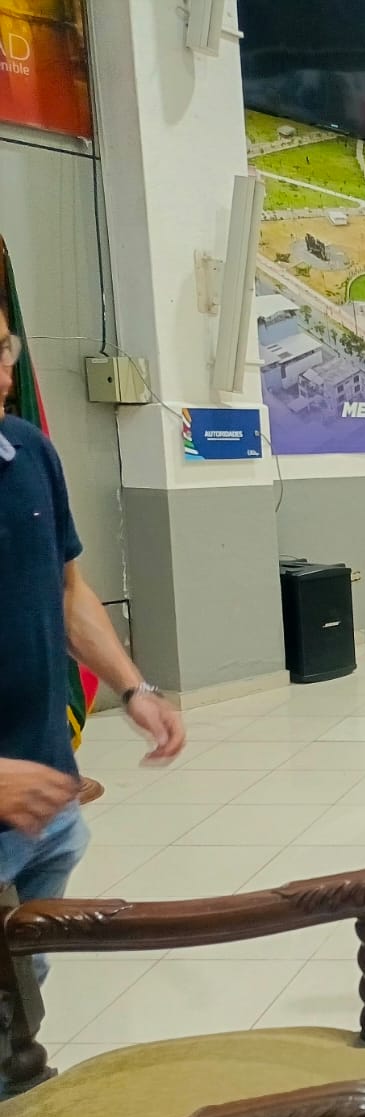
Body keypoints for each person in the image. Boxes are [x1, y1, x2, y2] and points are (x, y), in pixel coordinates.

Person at [0, 307, 186, 926]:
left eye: (3, 348)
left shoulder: (29, 452)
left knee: (29, 976)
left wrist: (134, 688)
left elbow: (66, 590)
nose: (3, 371)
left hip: (48, 803)